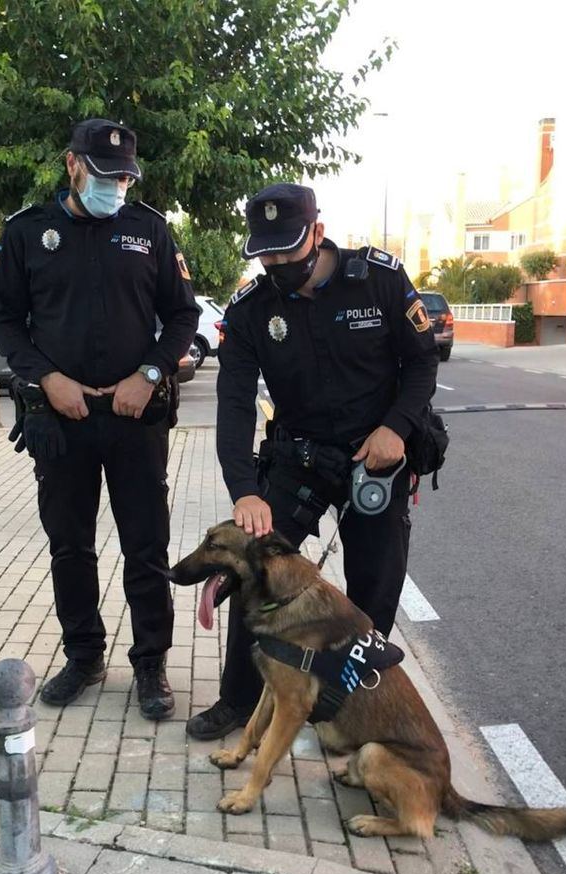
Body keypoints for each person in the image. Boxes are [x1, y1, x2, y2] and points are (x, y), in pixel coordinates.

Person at [186, 182, 439, 739]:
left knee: (373, 590)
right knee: (252, 567)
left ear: (317, 233)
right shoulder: (253, 309)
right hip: (297, 458)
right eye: (266, 253)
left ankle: (344, 707)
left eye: (288, 249)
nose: (276, 263)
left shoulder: (379, 278)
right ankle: (237, 700)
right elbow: (232, 402)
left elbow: (421, 365)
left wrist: (395, 428)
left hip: (376, 458)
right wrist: (244, 489)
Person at [0, 118, 199, 719]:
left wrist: (151, 374)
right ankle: (84, 656)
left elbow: (182, 316)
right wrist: (44, 379)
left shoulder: (149, 230)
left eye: (126, 179)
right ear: (73, 165)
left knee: (146, 545)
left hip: (136, 417)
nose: (117, 189)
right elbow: (6, 321)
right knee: (70, 546)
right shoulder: (28, 233)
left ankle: (151, 663)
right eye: (106, 178)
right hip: (62, 418)